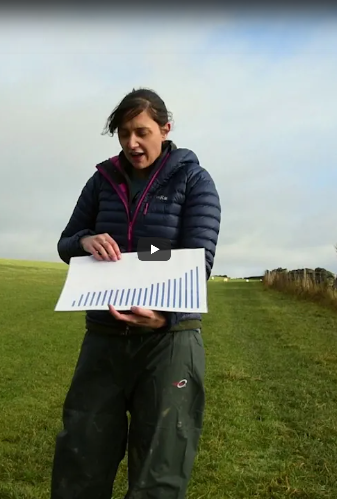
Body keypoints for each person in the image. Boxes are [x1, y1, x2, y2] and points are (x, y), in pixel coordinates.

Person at [51, 88, 221, 499]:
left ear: (165, 128)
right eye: (124, 133)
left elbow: (199, 262)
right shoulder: (102, 180)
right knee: (81, 459)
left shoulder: (194, 180)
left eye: (141, 132)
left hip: (168, 343)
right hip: (104, 339)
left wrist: (166, 317)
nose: (132, 143)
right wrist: (86, 240)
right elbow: (65, 242)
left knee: (158, 472)